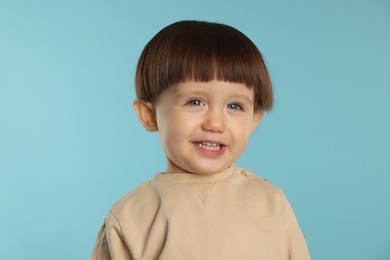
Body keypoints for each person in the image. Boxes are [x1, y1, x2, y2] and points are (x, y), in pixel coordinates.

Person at [91, 20, 310, 260]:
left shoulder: (271, 204)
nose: (215, 123)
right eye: (195, 102)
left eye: (234, 105)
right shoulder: (128, 218)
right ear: (149, 115)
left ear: (253, 120)